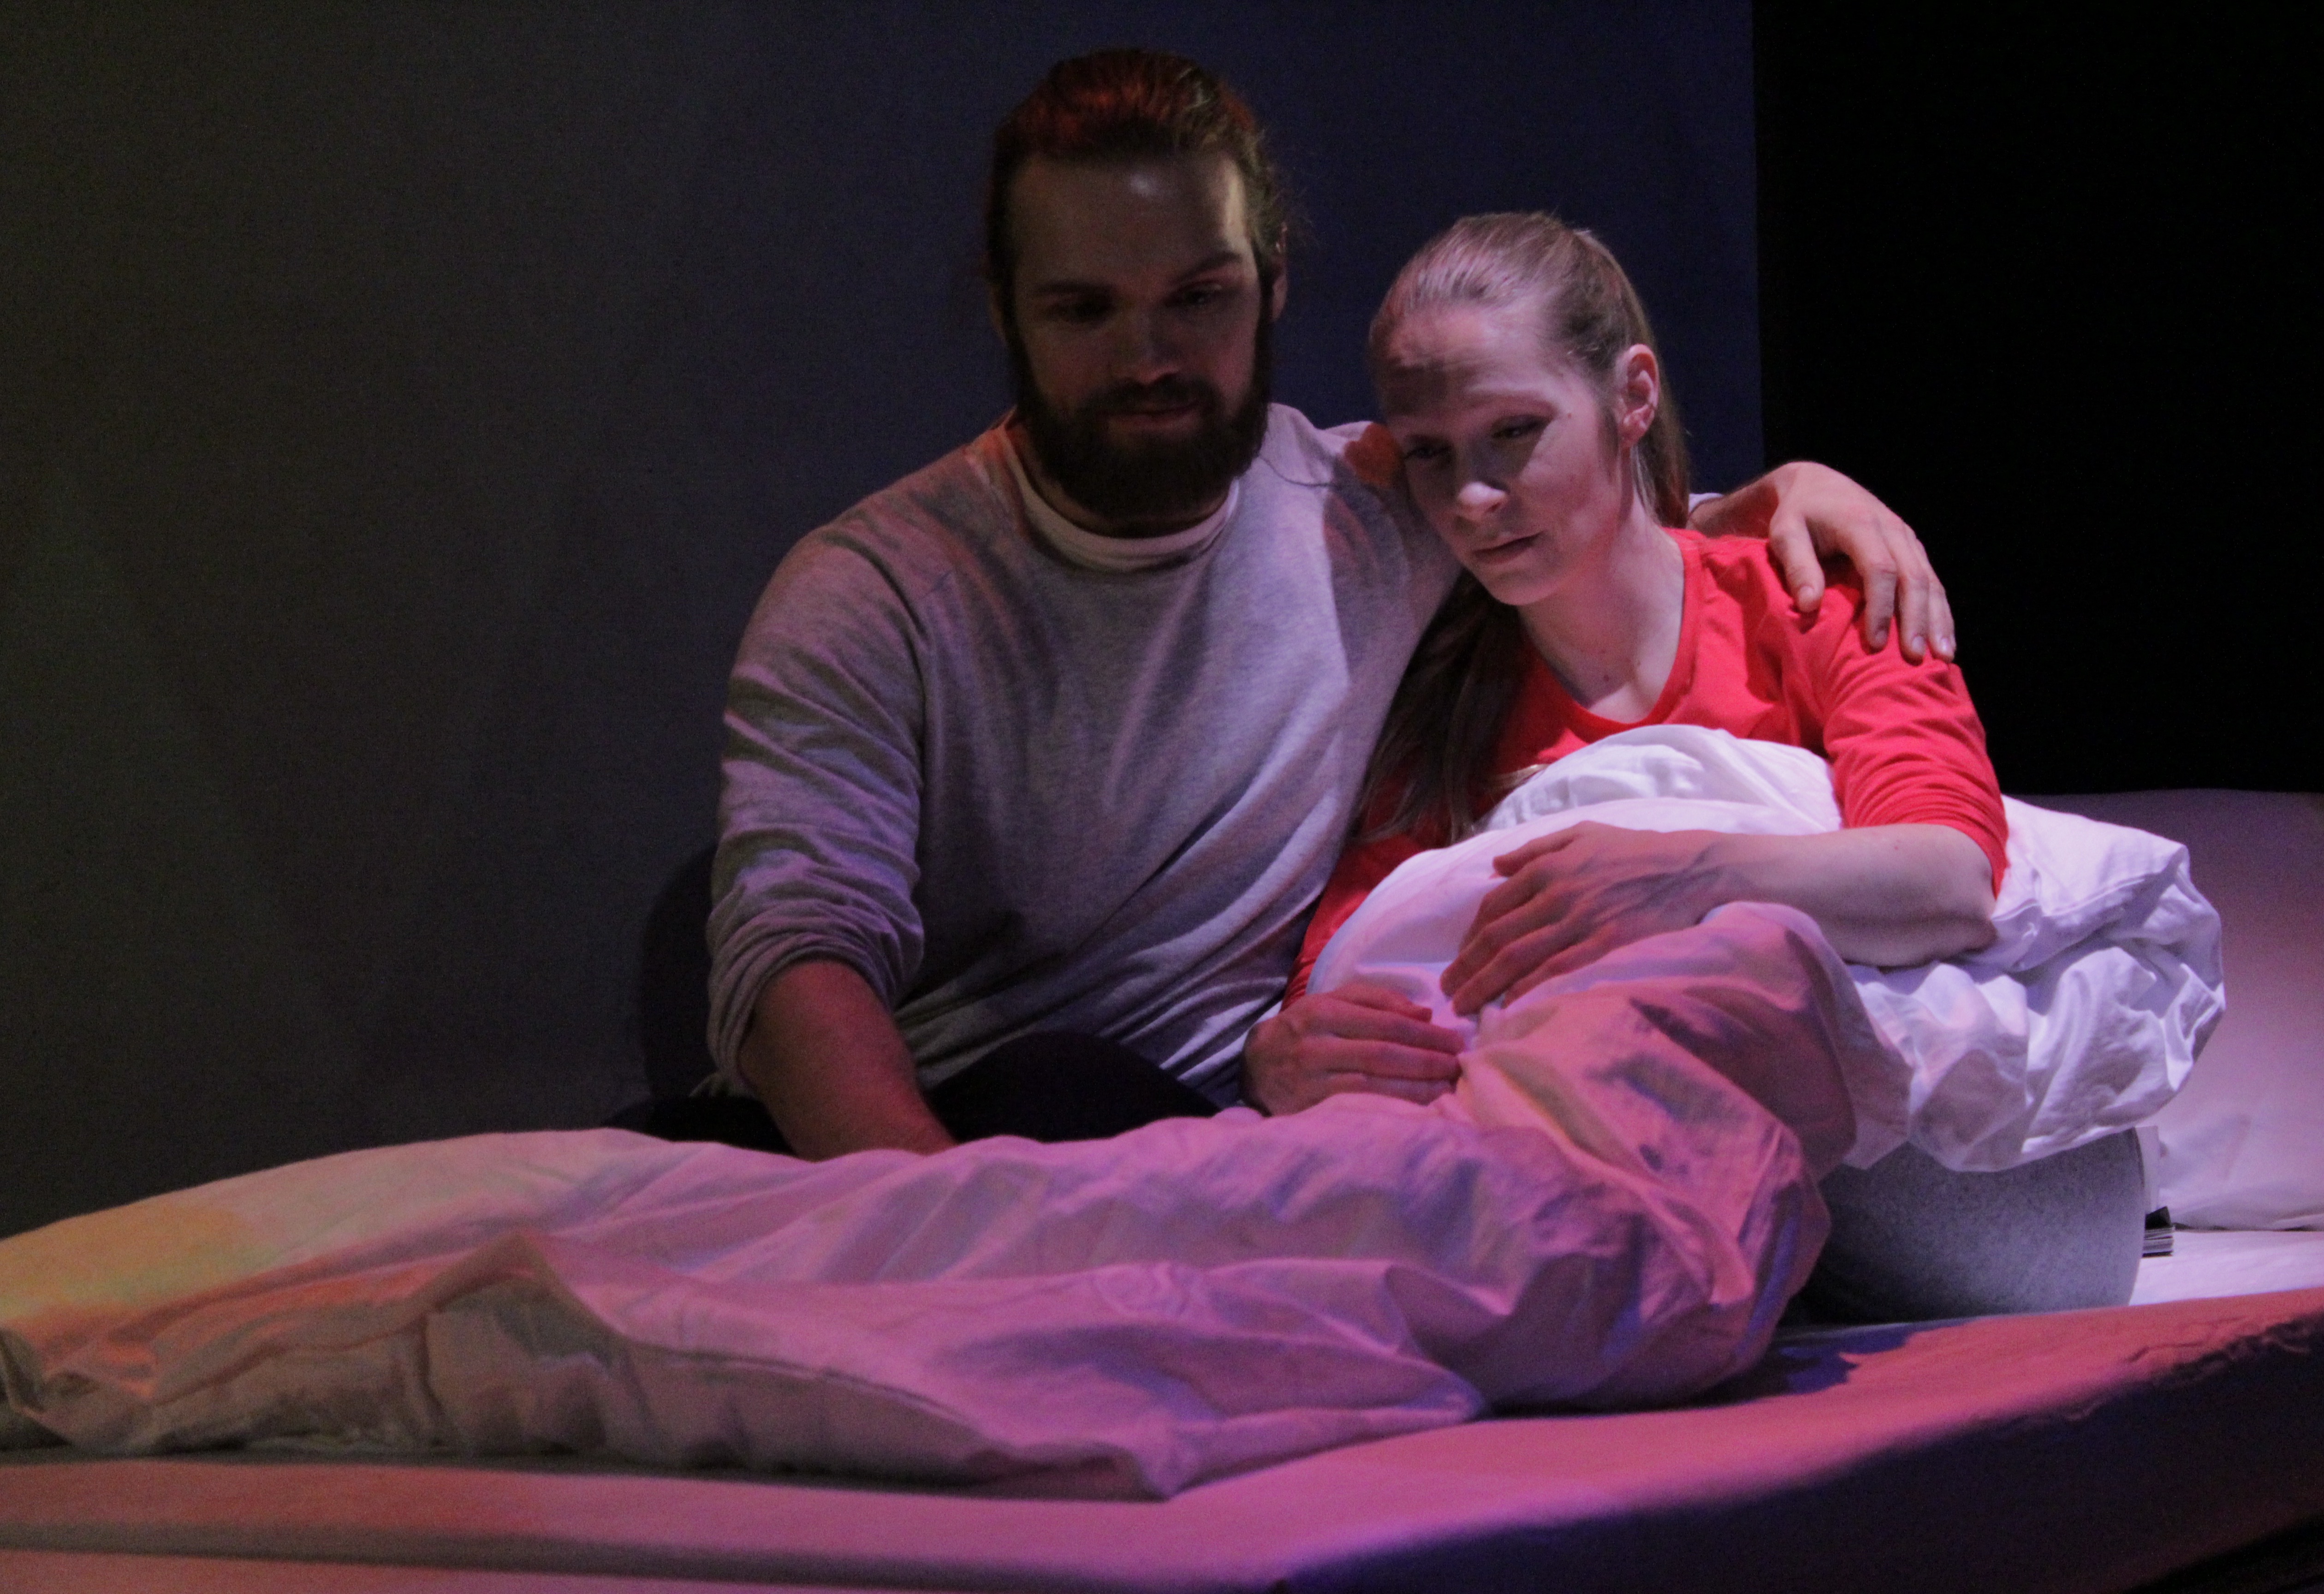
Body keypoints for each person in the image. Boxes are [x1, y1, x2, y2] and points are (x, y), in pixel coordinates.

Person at [683, 50, 1950, 1165]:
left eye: (1199, 296)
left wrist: (1780, 495)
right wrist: (930, 1213)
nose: (1148, 358)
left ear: (1273, 283)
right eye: (1084, 308)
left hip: (1233, 1134)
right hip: (941, 1125)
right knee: (1052, 1092)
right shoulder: (876, 595)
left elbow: (1576, 515)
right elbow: (797, 956)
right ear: (1005, 307)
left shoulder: (1376, 506)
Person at [1254, 213, 2143, 1318]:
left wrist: (1689, 879)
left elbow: (1953, 880)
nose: (1471, 499)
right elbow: (1349, 969)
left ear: (1633, 397)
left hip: (1997, 1176)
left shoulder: (1815, 597)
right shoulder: (1442, 712)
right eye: (1429, 453)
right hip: (1671, 1181)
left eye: (1515, 433)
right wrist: (1280, 1059)